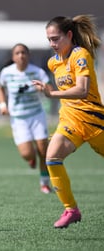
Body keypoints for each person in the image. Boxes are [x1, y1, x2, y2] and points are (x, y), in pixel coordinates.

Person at [33, 15, 104, 228]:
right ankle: (71, 210)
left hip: (93, 121)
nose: (52, 44)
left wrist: (51, 94)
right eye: (49, 40)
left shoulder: (80, 55)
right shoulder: (53, 63)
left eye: (56, 39)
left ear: (69, 35)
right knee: (51, 157)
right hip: (70, 122)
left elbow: (82, 90)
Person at [0, 43, 52, 194]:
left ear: (28, 55)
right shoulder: (6, 73)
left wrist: (43, 88)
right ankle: (30, 157)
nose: (21, 55)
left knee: (43, 150)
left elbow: (49, 89)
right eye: (17, 53)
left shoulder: (37, 72)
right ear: (13, 57)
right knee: (27, 153)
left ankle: (44, 183)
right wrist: (2, 104)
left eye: (23, 52)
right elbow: (0, 87)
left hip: (36, 115)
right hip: (18, 118)